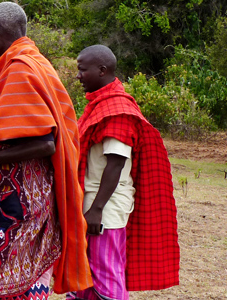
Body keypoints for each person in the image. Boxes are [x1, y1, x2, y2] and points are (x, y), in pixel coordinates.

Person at [0, 2, 91, 299]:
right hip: (35, 200)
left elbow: (45, 142)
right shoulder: (40, 65)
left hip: (11, 203)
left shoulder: (21, 70)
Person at [67, 45, 179, 300]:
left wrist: (96, 210)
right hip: (94, 205)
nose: (78, 75)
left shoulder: (117, 111)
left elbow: (116, 164)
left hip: (105, 209)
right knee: (85, 275)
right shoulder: (101, 105)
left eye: (82, 70)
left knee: (105, 276)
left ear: (102, 70)